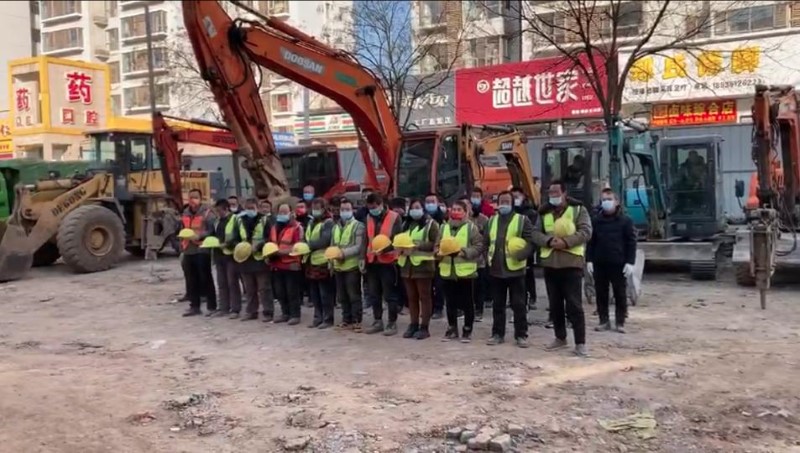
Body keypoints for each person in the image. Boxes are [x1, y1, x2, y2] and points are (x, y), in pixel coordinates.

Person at [532, 180, 592, 357]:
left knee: (574, 305)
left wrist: (565, 242)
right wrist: (549, 241)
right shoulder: (544, 212)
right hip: (550, 264)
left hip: (571, 263)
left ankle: (580, 343)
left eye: (556, 193)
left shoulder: (578, 210)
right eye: (550, 193)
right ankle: (560, 338)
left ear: (565, 193)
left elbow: (586, 231)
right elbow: (535, 233)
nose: (553, 196)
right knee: (555, 304)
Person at [485, 191, 536, 348]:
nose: (504, 204)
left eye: (507, 201)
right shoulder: (491, 221)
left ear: (512, 204)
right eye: (501, 201)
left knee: (518, 304)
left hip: (515, 269)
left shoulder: (522, 220)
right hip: (496, 269)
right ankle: (497, 334)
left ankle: (521, 335)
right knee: (498, 305)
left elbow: (531, 241)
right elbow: (486, 241)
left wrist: (522, 255)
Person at [587, 189, 637, 333]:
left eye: (609, 199)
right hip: (600, 262)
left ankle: (620, 322)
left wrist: (630, 262)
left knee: (620, 293)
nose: (606, 202)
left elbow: (631, 242)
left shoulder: (625, 221)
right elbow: (591, 242)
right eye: (604, 200)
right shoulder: (596, 221)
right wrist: (589, 260)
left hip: (618, 263)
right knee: (601, 293)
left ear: (616, 202)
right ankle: (604, 321)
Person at [436, 200, 483, 343]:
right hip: (447, 270)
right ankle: (452, 328)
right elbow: (437, 245)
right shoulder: (443, 227)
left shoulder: (471, 228)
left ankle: (467, 330)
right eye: (454, 209)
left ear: (465, 212)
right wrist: (438, 252)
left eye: (459, 209)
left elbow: (479, 246)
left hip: (465, 272)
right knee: (450, 302)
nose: (455, 212)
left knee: (467, 302)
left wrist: (464, 252)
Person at [398, 199, 439, 340]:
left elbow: (435, 243)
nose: (414, 210)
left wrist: (417, 245)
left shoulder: (431, 224)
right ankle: (413, 324)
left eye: (417, 207)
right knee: (411, 297)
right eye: (412, 208)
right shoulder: (406, 224)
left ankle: (424, 326)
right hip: (407, 266)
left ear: (423, 209)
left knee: (424, 296)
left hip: (423, 266)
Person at [363, 193, 403, 335]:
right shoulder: (368, 217)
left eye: (374, 207)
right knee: (374, 294)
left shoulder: (394, 217)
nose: (372, 210)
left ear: (381, 204)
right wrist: (363, 258)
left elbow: (397, 239)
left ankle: (392, 323)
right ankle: (377, 321)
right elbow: (366, 239)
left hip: (388, 261)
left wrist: (384, 249)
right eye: (370, 208)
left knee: (389, 294)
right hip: (372, 260)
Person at [232, 198, 274, 321]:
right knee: (249, 288)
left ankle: (268, 312)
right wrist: (240, 247)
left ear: (257, 207)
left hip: (260, 258)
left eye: (252, 208)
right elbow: (235, 238)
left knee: (264, 288)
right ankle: (251, 311)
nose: (250, 210)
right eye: (248, 208)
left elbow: (269, 237)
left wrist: (259, 246)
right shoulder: (239, 220)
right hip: (245, 259)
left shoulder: (265, 220)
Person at [181, 188, 218, 317]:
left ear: (201, 199)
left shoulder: (207, 213)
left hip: (202, 249)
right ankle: (194, 306)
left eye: (195, 197)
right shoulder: (185, 212)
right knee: (191, 280)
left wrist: (200, 236)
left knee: (205, 278)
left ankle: (212, 306)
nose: (193, 200)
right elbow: (182, 228)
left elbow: (212, 230)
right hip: (188, 249)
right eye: (190, 197)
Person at [332, 199, 366, 332]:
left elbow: (358, 247)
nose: (344, 212)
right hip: (338, 266)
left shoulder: (358, 226)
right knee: (342, 296)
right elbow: (332, 245)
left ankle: (357, 320)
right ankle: (346, 319)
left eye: (347, 209)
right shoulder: (336, 227)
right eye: (342, 209)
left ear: (353, 210)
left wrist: (343, 254)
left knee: (354, 295)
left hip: (352, 266)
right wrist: (332, 261)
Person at [268, 202, 304, 325]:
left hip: (291, 264)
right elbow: (271, 243)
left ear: (291, 213)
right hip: (276, 264)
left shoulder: (297, 227)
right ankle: (285, 313)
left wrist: (281, 252)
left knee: (292, 291)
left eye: (285, 212)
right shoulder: (274, 227)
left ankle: (295, 315)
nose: (282, 214)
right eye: (280, 212)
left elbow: (299, 246)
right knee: (280, 291)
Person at [305, 198, 336, 328]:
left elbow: (324, 240)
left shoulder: (328, 222)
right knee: (315, 293)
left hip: (323, 261)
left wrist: (307, 246)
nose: (315, 210)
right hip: (311, 261)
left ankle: (328, 319)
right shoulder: (311, 222)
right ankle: (318, 317)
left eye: (318, 208)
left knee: (325, 294)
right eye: (314, 208)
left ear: (324, 208)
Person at [210, 198, 242, 318]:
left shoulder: (236, 220)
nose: (218, 213)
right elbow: (212, 234)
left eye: (219, 211)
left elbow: (240, 237)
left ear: (226, 209)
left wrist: (227, 244)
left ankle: (235, 309)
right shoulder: (217, 221)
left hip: (231, 255)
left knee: (232, 283)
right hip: (219, 255)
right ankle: (223, 308)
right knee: (222, 283)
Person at [511, 186, 539, 313]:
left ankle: (531, 297)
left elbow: (532, 233)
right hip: (512, 250)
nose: (515, 199)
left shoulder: (531, 213)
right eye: (513, 197)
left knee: (528, 275)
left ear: (523, 197)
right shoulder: (510, 213)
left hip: (526, 249)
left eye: (517, 197)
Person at [465, 191, 490, 322]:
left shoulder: (483, 219)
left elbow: (486, 239)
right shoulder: (457, 222)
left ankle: (479, 310)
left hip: (479, 260)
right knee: (467, 289)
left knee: (479, 287)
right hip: (463, 260)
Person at [424, 193, 446, 319]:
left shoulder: (443, 218)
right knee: (427, 285)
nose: (430, 204)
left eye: (432, 201)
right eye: (427, 202)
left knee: (439, 285)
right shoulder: (422, 218)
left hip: (438, 257)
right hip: (425, 257)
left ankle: (438, 307)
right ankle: (429, 308)